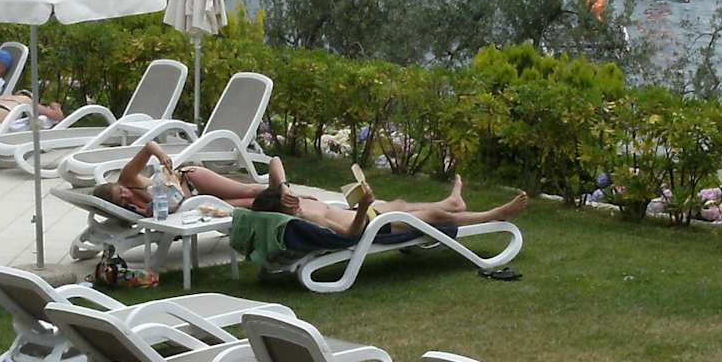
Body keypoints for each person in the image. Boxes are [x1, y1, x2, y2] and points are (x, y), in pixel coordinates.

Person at [252, 160, 527, 239]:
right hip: (372, 226)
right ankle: (494, 214)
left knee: (401, 203)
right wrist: (363, 206)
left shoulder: (289, 199)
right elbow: (350, 234)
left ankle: (453, 202)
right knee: (435, 218)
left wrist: (284, 188)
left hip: (373, 214)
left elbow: (275, 161)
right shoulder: (305, 215)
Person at [97, 142, 280, 215]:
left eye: (121, 191)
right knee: (248, 202)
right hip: (194, 204)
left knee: (248, 190)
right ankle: (283, 206)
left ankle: (283, 189)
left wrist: (161, 156)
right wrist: (143, 211)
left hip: (191, 180)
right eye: (121, 200)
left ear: (116, 184)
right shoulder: (130, 209)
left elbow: (149, 147)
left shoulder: (127, 177)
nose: (125, 195)